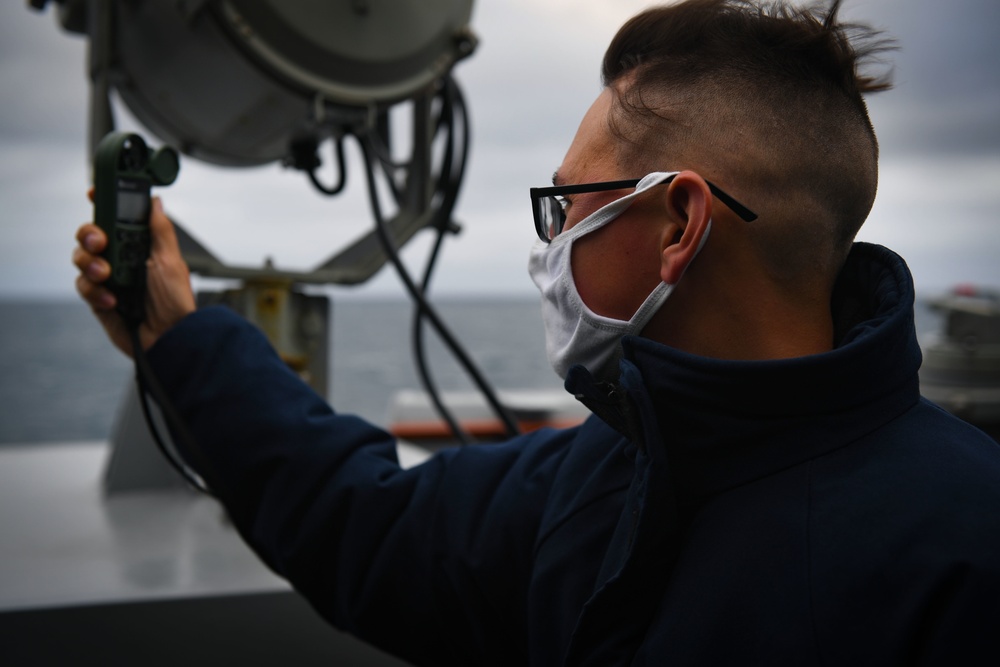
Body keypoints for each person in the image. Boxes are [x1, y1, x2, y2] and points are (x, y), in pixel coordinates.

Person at [73, 0, 1000, 664]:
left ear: (678, 223)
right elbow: (369, 524)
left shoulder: (966, 548)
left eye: (565, 206)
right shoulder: (602, 470)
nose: (548, 246)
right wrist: (177, 333)